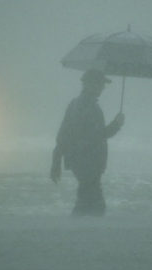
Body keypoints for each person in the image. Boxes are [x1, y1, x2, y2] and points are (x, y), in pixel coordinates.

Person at [51, 69, 125, 216]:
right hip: (88, 161)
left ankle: (77, 232)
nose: (103, 88)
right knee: (95, 205)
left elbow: (63, 133)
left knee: (86, 201)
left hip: (80, 161)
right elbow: (97, 135)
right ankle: (78, 233)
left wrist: (57, 159)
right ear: (90, 84)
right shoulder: (88, 106)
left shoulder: (75, 104)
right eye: (100, 84)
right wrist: (117, 124)